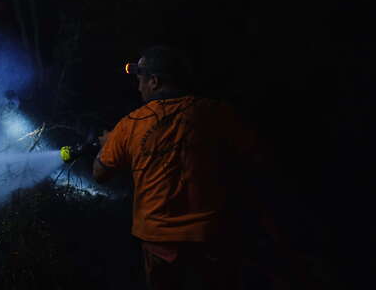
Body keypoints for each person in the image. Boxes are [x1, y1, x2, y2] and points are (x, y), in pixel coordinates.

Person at [92, 45, 270, 290]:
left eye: (140, 78)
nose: (138, 85)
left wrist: (106, 145)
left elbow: (99, 174)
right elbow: (256, 160)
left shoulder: (130, 125)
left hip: (159, 243)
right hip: (211, 238)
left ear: (154, 81)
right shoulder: (215, 113)